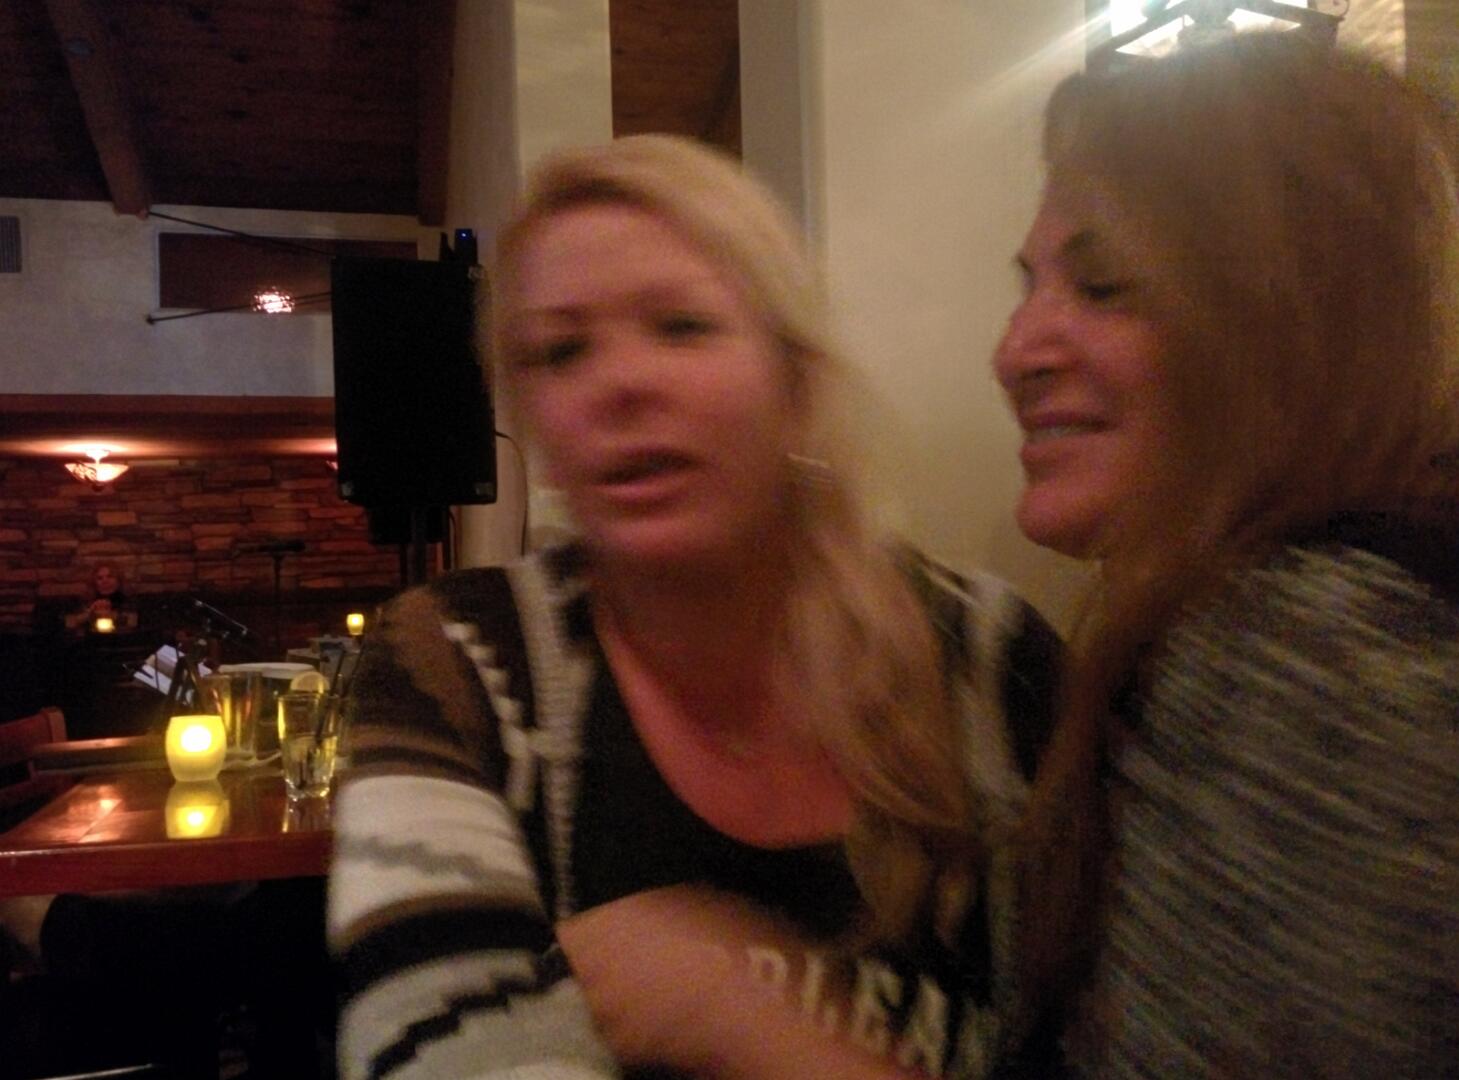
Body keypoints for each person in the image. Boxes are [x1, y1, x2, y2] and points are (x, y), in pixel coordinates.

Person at [328, 134, 1061, 1079]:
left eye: (681, 326)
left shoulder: (993, 661)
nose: (620, 383)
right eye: (560, 351)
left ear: (795, 380)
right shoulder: (458, 660)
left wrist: (748, 1019)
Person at [994, 33, 1459, 1077]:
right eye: (1028, 287)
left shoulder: (1319, 647)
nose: (1014, 350)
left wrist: (741, 1019)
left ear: (1295, 315)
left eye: (1102, 285)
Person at [63, 562, 136, 633]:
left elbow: (133, 623)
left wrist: (112, 615)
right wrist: (89, 614)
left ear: (118, 580)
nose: (105, 581)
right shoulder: (86, 600)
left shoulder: (127, 600)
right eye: (99, 578)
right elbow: (69, 624)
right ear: (94, 583)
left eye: (110, 576)